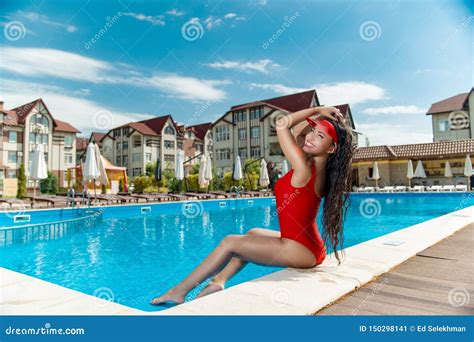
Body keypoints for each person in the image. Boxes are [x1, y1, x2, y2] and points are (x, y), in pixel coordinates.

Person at [150, 106, 354, 306]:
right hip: (308, 246)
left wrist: (318, 109)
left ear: (332, 148)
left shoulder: (303, 168)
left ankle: (179, 291)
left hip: (301, 250)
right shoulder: (318, 167)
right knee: (253, 232)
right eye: (313, 131)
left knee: (230, 242)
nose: (310, 137)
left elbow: (282, 124)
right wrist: (319, 116)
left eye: (320, 136)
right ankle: (218, 282)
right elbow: (297, 132)